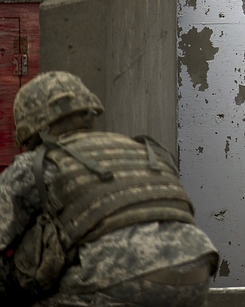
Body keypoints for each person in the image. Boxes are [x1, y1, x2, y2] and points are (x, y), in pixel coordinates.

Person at [0, 71, 219, 306]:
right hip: (196, 271)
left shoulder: (38, 163)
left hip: (117, 283)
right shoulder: (143, 150)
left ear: (31, 126)